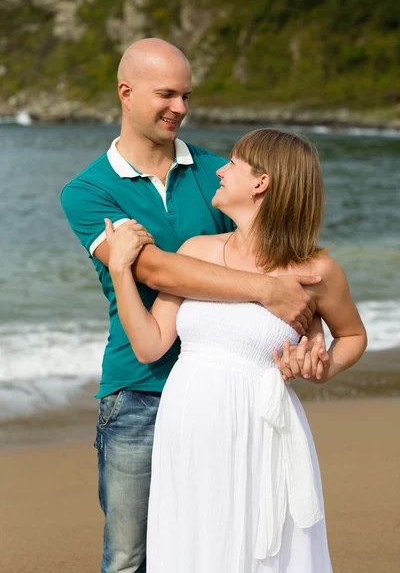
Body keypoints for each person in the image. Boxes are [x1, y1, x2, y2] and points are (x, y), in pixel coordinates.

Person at [61, 38, 326, 573]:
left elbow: (273, 256)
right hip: (138, 388)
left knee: (224, 544)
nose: (180, 107)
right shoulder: (85, 191)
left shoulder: (219, 174)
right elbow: (152, 269)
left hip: (226, 395)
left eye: (185, 94)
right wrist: (264, 292)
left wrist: (310, 324)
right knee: (131, 556)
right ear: (126, 93)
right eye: (167, 94)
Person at [105, 128, 367, 573]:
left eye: (233, 163)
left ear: (261, 182)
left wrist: (323, 369)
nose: (220, 171)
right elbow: (150, 345)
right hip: (186, 429)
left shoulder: (317, 270)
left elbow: (353, 337)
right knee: (193, 547)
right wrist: (119, 269)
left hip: (258, 431)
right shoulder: (197, 251)